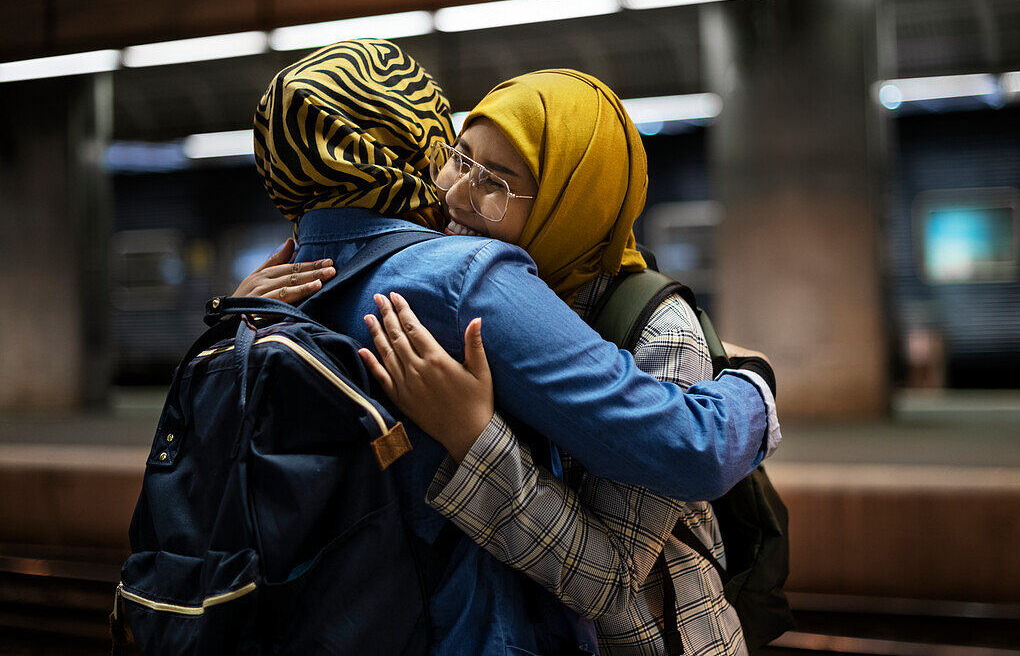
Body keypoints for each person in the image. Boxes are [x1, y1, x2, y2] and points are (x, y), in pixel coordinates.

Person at [241, 39, 776, 654]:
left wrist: (475, 442)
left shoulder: (658, 329)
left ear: (572, 199)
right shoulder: (482, 291)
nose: (457, 195)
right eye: (459, 160)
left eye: (496, 183)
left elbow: (614, 583)